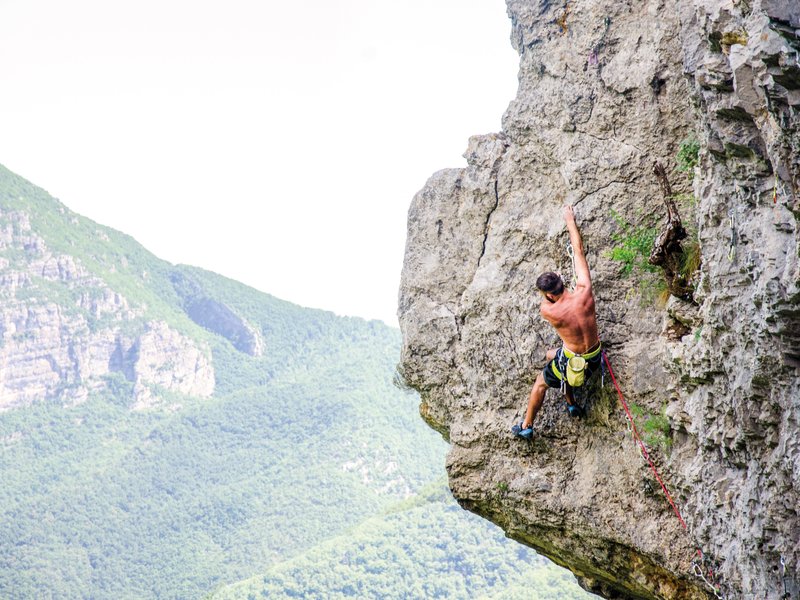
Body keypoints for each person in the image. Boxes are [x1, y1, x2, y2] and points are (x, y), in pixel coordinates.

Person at [512, 205, 602, 439]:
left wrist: (548, 298)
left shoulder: (548, 311)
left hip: (573, 361)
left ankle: (527, 426)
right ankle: (571, 402)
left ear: (549, 294)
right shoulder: (585, 291)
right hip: (594, 359)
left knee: (541, 381)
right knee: (555, 354)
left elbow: (549, 303)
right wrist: (570, 221)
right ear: (562, 281)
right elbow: (578, 251)